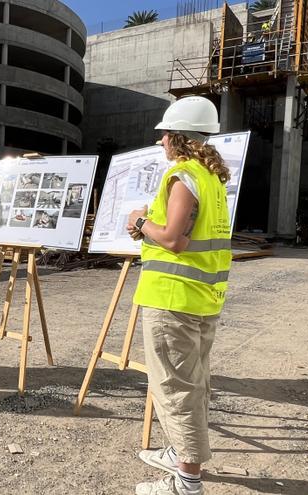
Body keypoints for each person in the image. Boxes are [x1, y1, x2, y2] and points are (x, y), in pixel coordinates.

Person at [125, 96, 232, 495]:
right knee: (194, 383)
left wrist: (139, 221)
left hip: (174, 300)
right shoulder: (212, 179)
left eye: (164, 135)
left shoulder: (184, 175)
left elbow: (172, 238)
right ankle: (178, 456)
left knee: (176, 387)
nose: (161, 142)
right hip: (201, 299)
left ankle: (186, 483)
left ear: (176, 137)